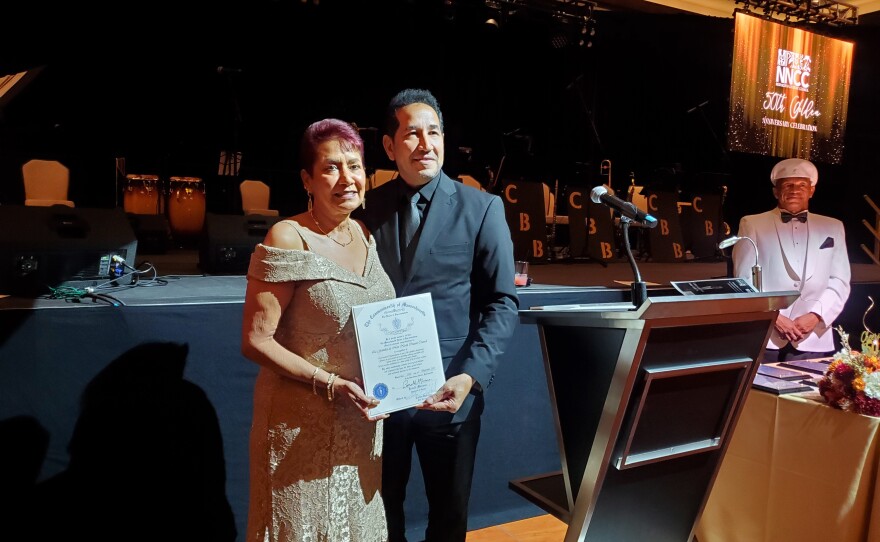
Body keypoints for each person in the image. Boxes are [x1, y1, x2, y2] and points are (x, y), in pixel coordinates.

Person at [355, 88, 519, 542]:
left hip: (449, 392)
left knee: (448, 520)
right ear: (389, 147)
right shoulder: (365, 210)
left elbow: (502, 303)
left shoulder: (482, 208)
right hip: (380, 400)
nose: (425, 144)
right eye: (411, 134)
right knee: (380, 516)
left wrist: (469, 377)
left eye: (434, 133)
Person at [241, 118, 395, 542]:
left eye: (355, 165)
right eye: (331, 167)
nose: (346, 178)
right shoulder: (288, 236)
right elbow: (255, 340)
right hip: (297, 427)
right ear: (307, 179)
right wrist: (330, 384)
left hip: (359, 421)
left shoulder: (363, 234)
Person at [732, 157, 851, 362]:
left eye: (802, 185)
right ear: (775, 191)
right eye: (788, 185)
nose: (795, 190)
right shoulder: (752, 223)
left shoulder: (833, 226)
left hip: (813, 335)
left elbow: (839, 279)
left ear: (812, 190)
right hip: (767, 334)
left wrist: (816, 316)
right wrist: (774, 317)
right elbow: (743, 279)